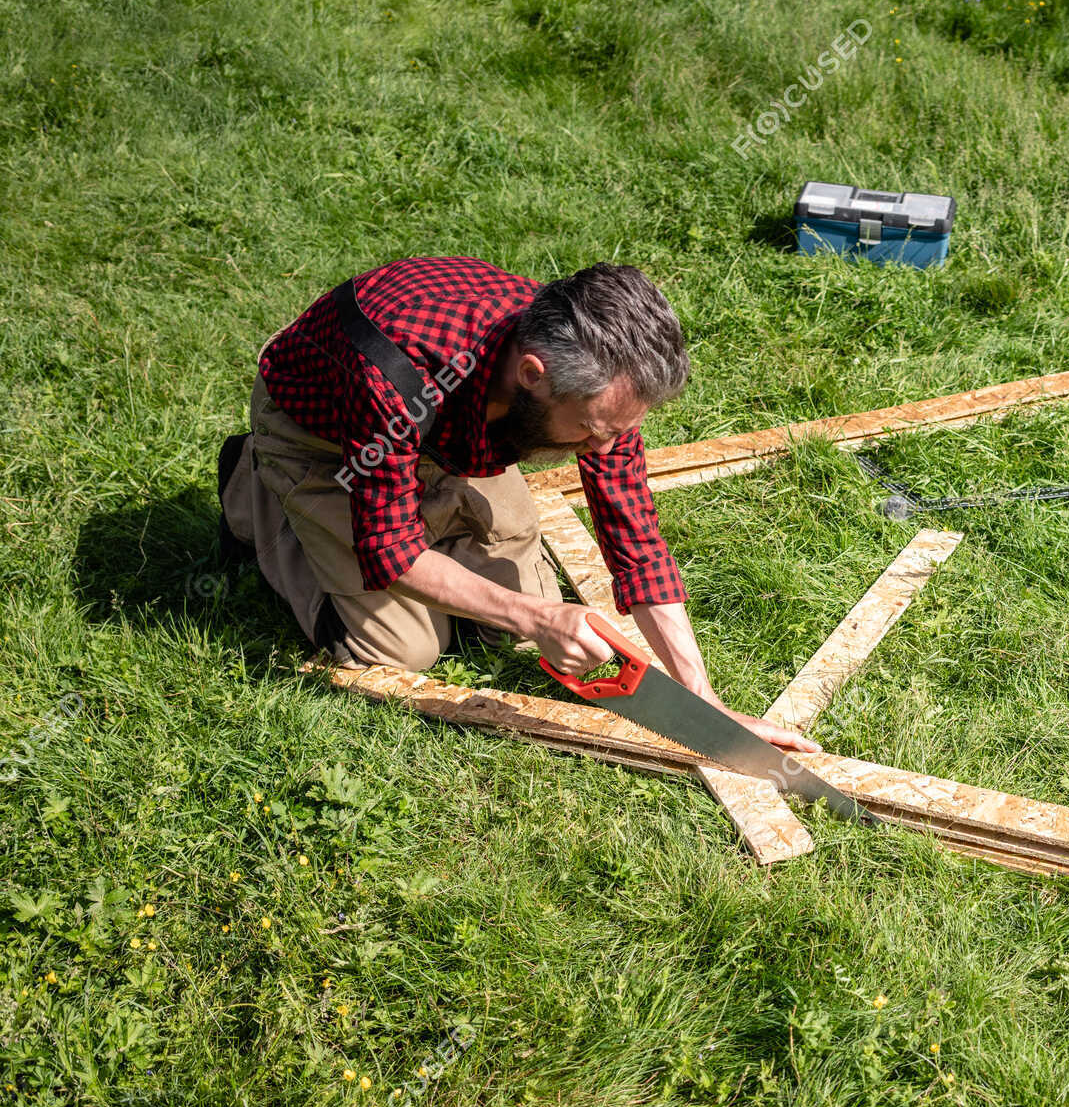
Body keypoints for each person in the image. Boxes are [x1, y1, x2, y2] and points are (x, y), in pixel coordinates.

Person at [218, 256, 812, 750]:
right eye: (590, 429)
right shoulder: (393, 372)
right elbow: (391, 549)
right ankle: (255, 490)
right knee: (405, 651)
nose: (604, 448)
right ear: (532, 373)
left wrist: (702, 702)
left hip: (453, 426)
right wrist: (534, 616)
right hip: (328, 436)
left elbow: (634, 536)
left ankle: (435, 506)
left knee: (522, 631)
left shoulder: (593, 370)